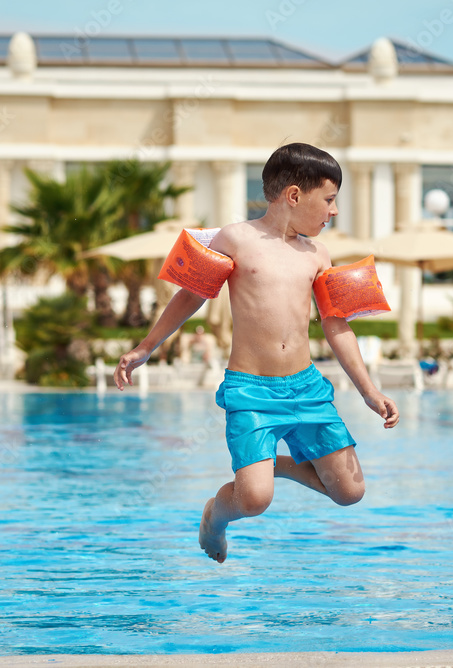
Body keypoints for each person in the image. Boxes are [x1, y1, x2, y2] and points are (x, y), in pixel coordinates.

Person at [114, 143, 400, 563]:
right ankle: (214, 516)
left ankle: (279, 465)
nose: (334, 211)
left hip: (305, 388)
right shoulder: (236, 239)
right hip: (251, 390)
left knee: (350, 492)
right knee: (253, 500)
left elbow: (337, 326)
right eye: (330, 199)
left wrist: (369, 392)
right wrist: (145, 348)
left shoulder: (318, 253)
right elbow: (192, 296)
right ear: (295, 196)